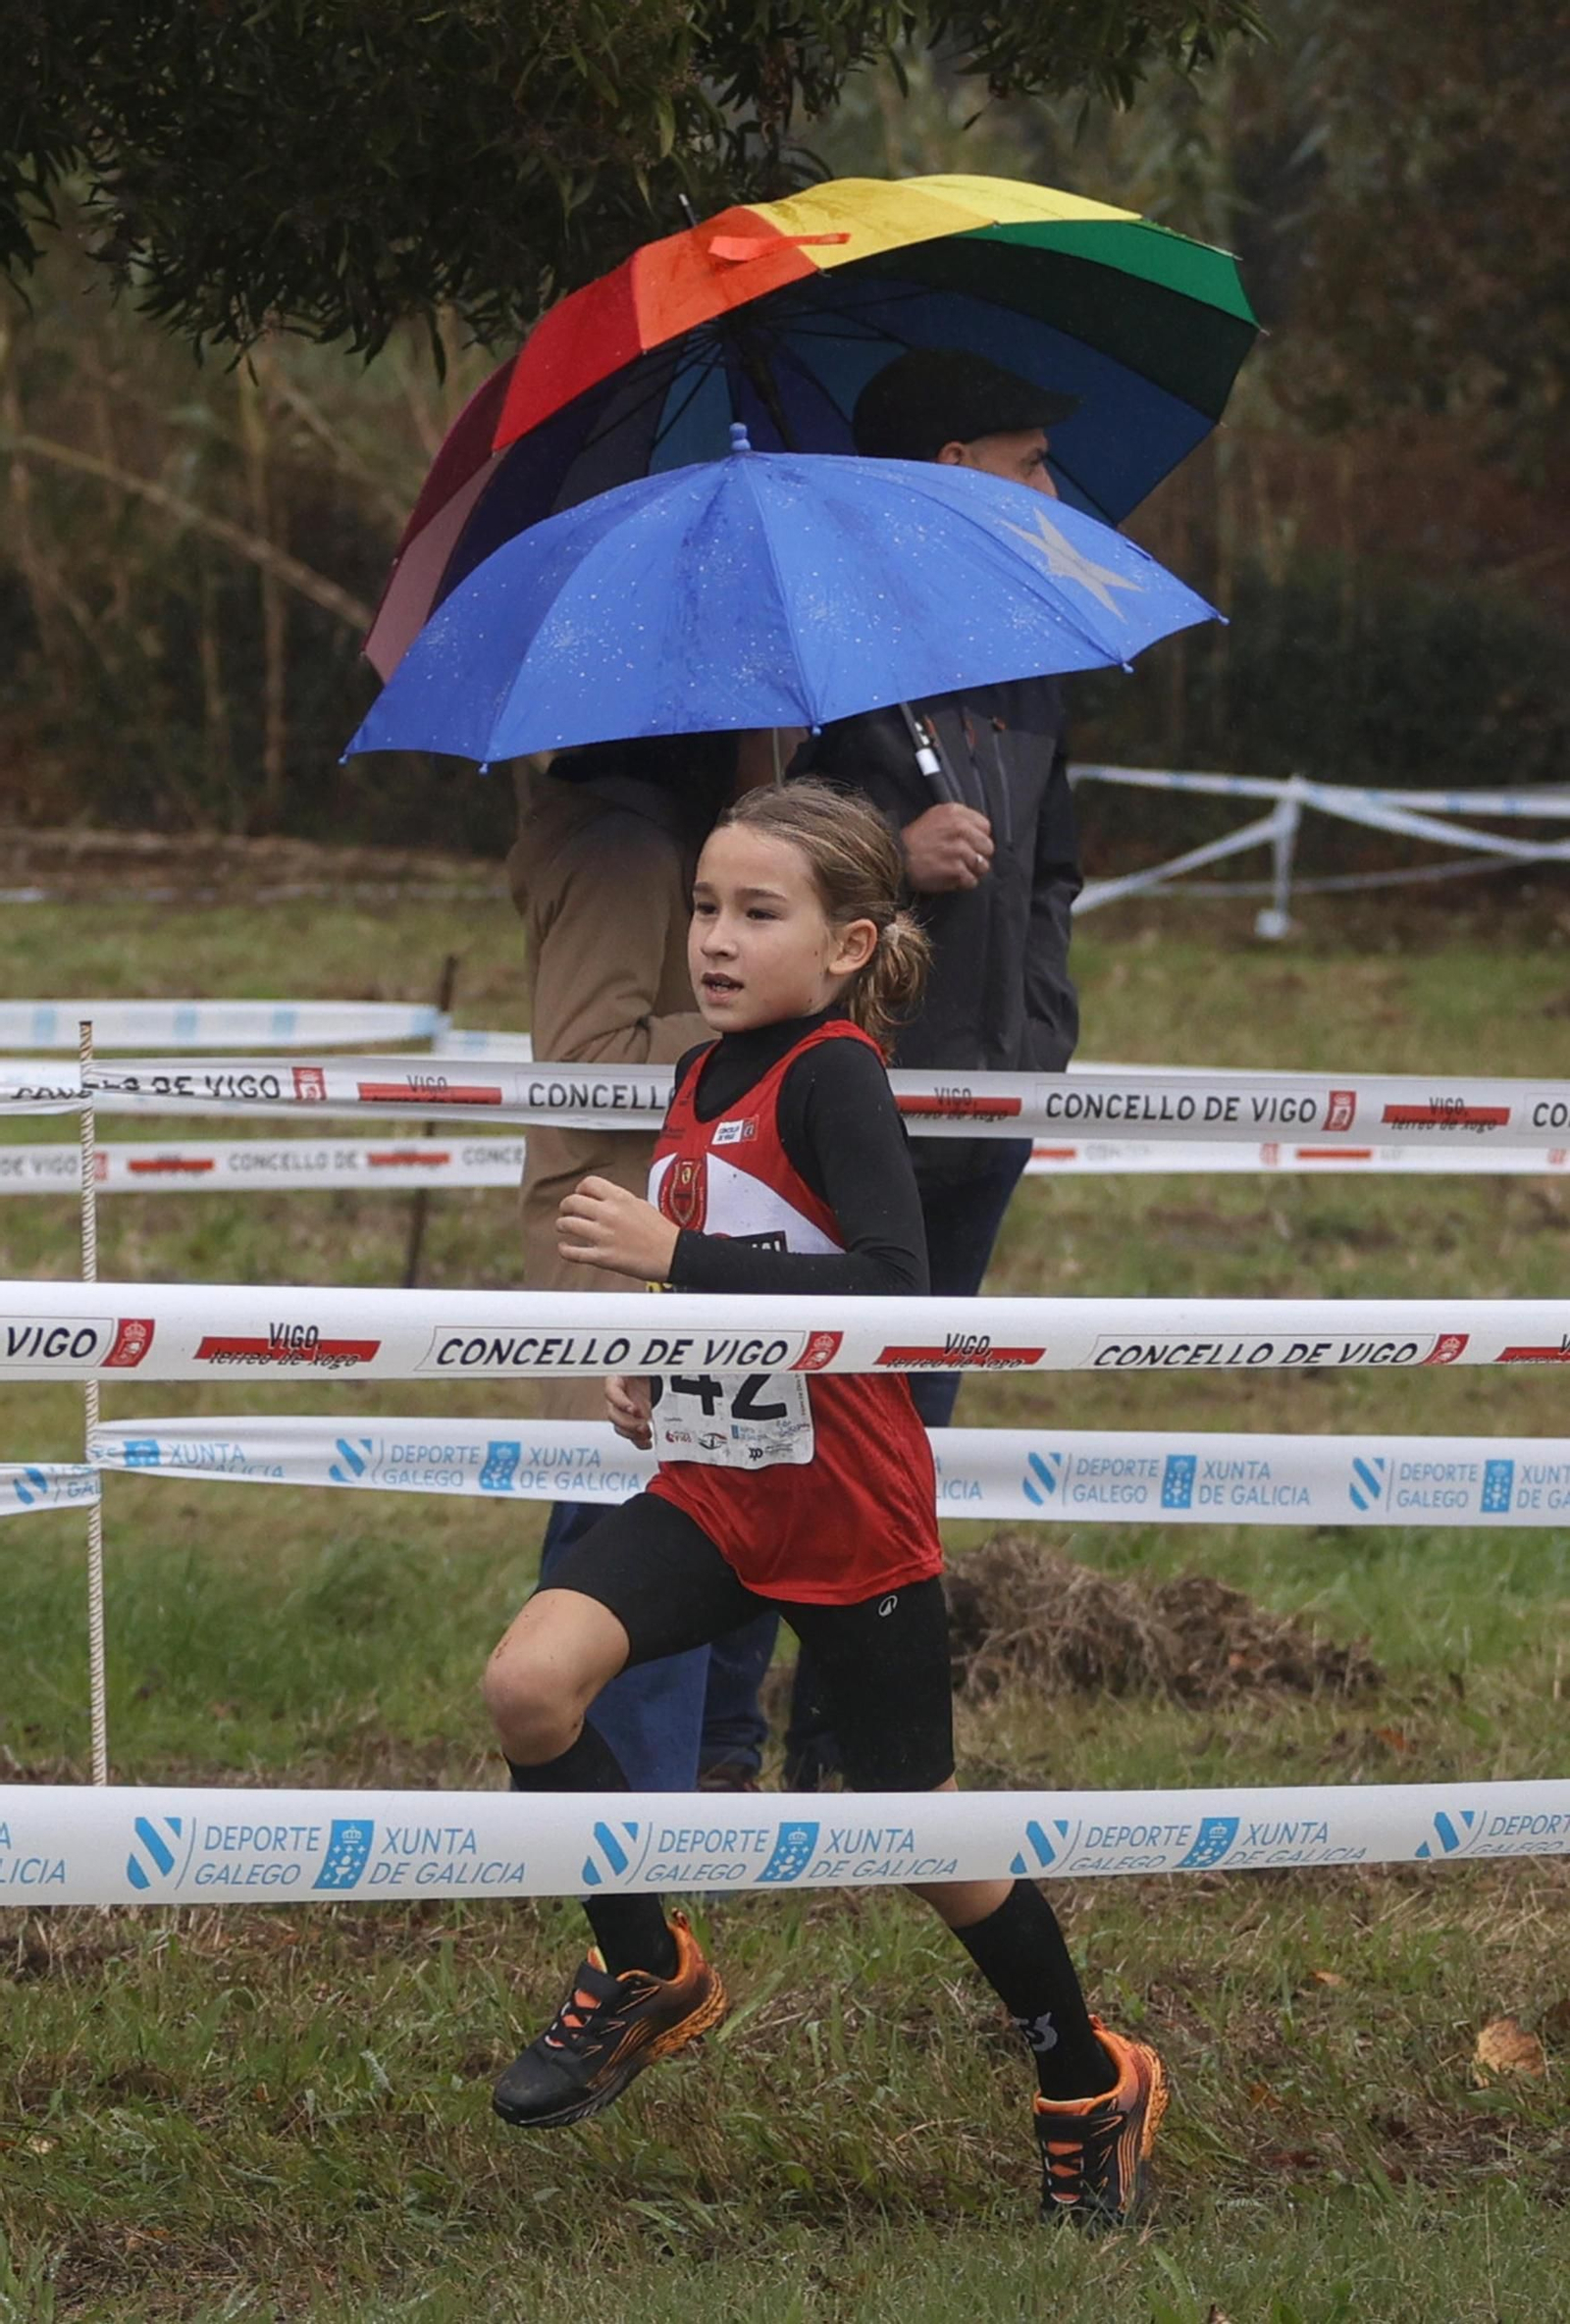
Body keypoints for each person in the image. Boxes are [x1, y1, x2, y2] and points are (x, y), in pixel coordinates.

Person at [483, 780, 1167, 2229]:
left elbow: (888, 1295)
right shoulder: (700, 1076)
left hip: (847, 1517)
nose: (715, 940)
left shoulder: (835, 1075)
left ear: (851, 942)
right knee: (530, 1688)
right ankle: (651, 1964)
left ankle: (1085, 2072)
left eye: (757, 912)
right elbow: (736, 1289)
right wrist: (658, 1372)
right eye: (703, 907)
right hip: (713, 1494)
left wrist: (673, 1261)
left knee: (925, 1836)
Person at [783, 349, 1085, 1788]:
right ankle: (764, 1736)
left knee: (915, 1428)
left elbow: (1052, 874)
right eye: (1032, 461)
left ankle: (874, 1753)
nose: (1051, 489)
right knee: (809, 1419)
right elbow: (765, 870)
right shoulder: (824, 658)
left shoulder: (1030, 666)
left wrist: (1040, 1038)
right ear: (957, 467)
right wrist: (888, 862)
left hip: (993, 1109)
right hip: (858, 1108)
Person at [509, 736, 775, 1790]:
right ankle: (620, 1828)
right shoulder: (622, 850)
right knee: (626, 1528)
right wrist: (752, 1016)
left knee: (689, 1512)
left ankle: (680, 1789)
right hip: (616, 1231)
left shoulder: (653, 841)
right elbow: (584, 1063)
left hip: (662, 1220)